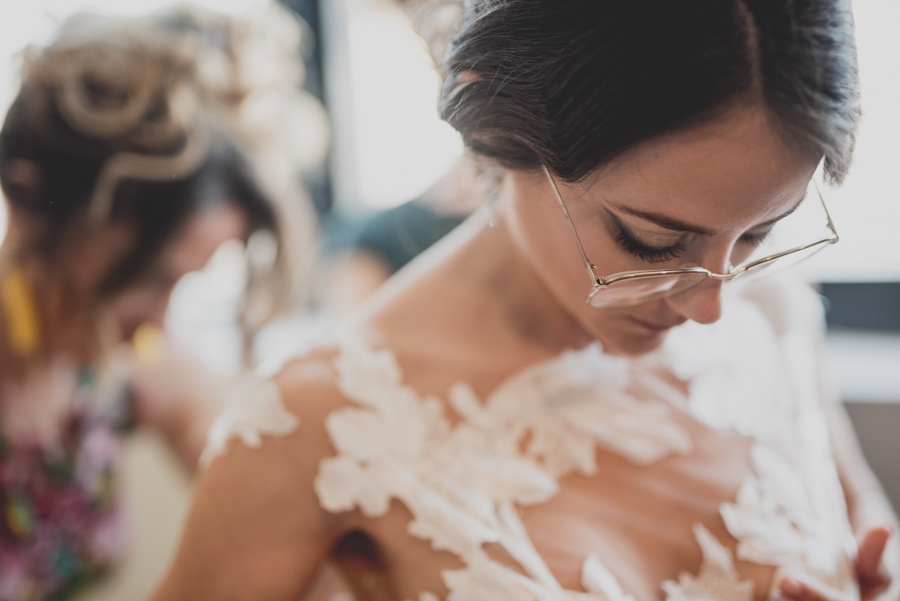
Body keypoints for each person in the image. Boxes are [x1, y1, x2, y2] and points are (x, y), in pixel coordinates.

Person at [153, 1, 899, 601]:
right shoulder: (313, 425)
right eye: (648, 242)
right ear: (496, 125)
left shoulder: (774, 314)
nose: (711, 303)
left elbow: (864, 518)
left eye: (758, 234)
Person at [0, 6, 319, 599]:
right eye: (148, 278)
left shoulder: (131, 366)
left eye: (183, 284)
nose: (160, 319)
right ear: (27, 202)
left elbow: (277, 497)